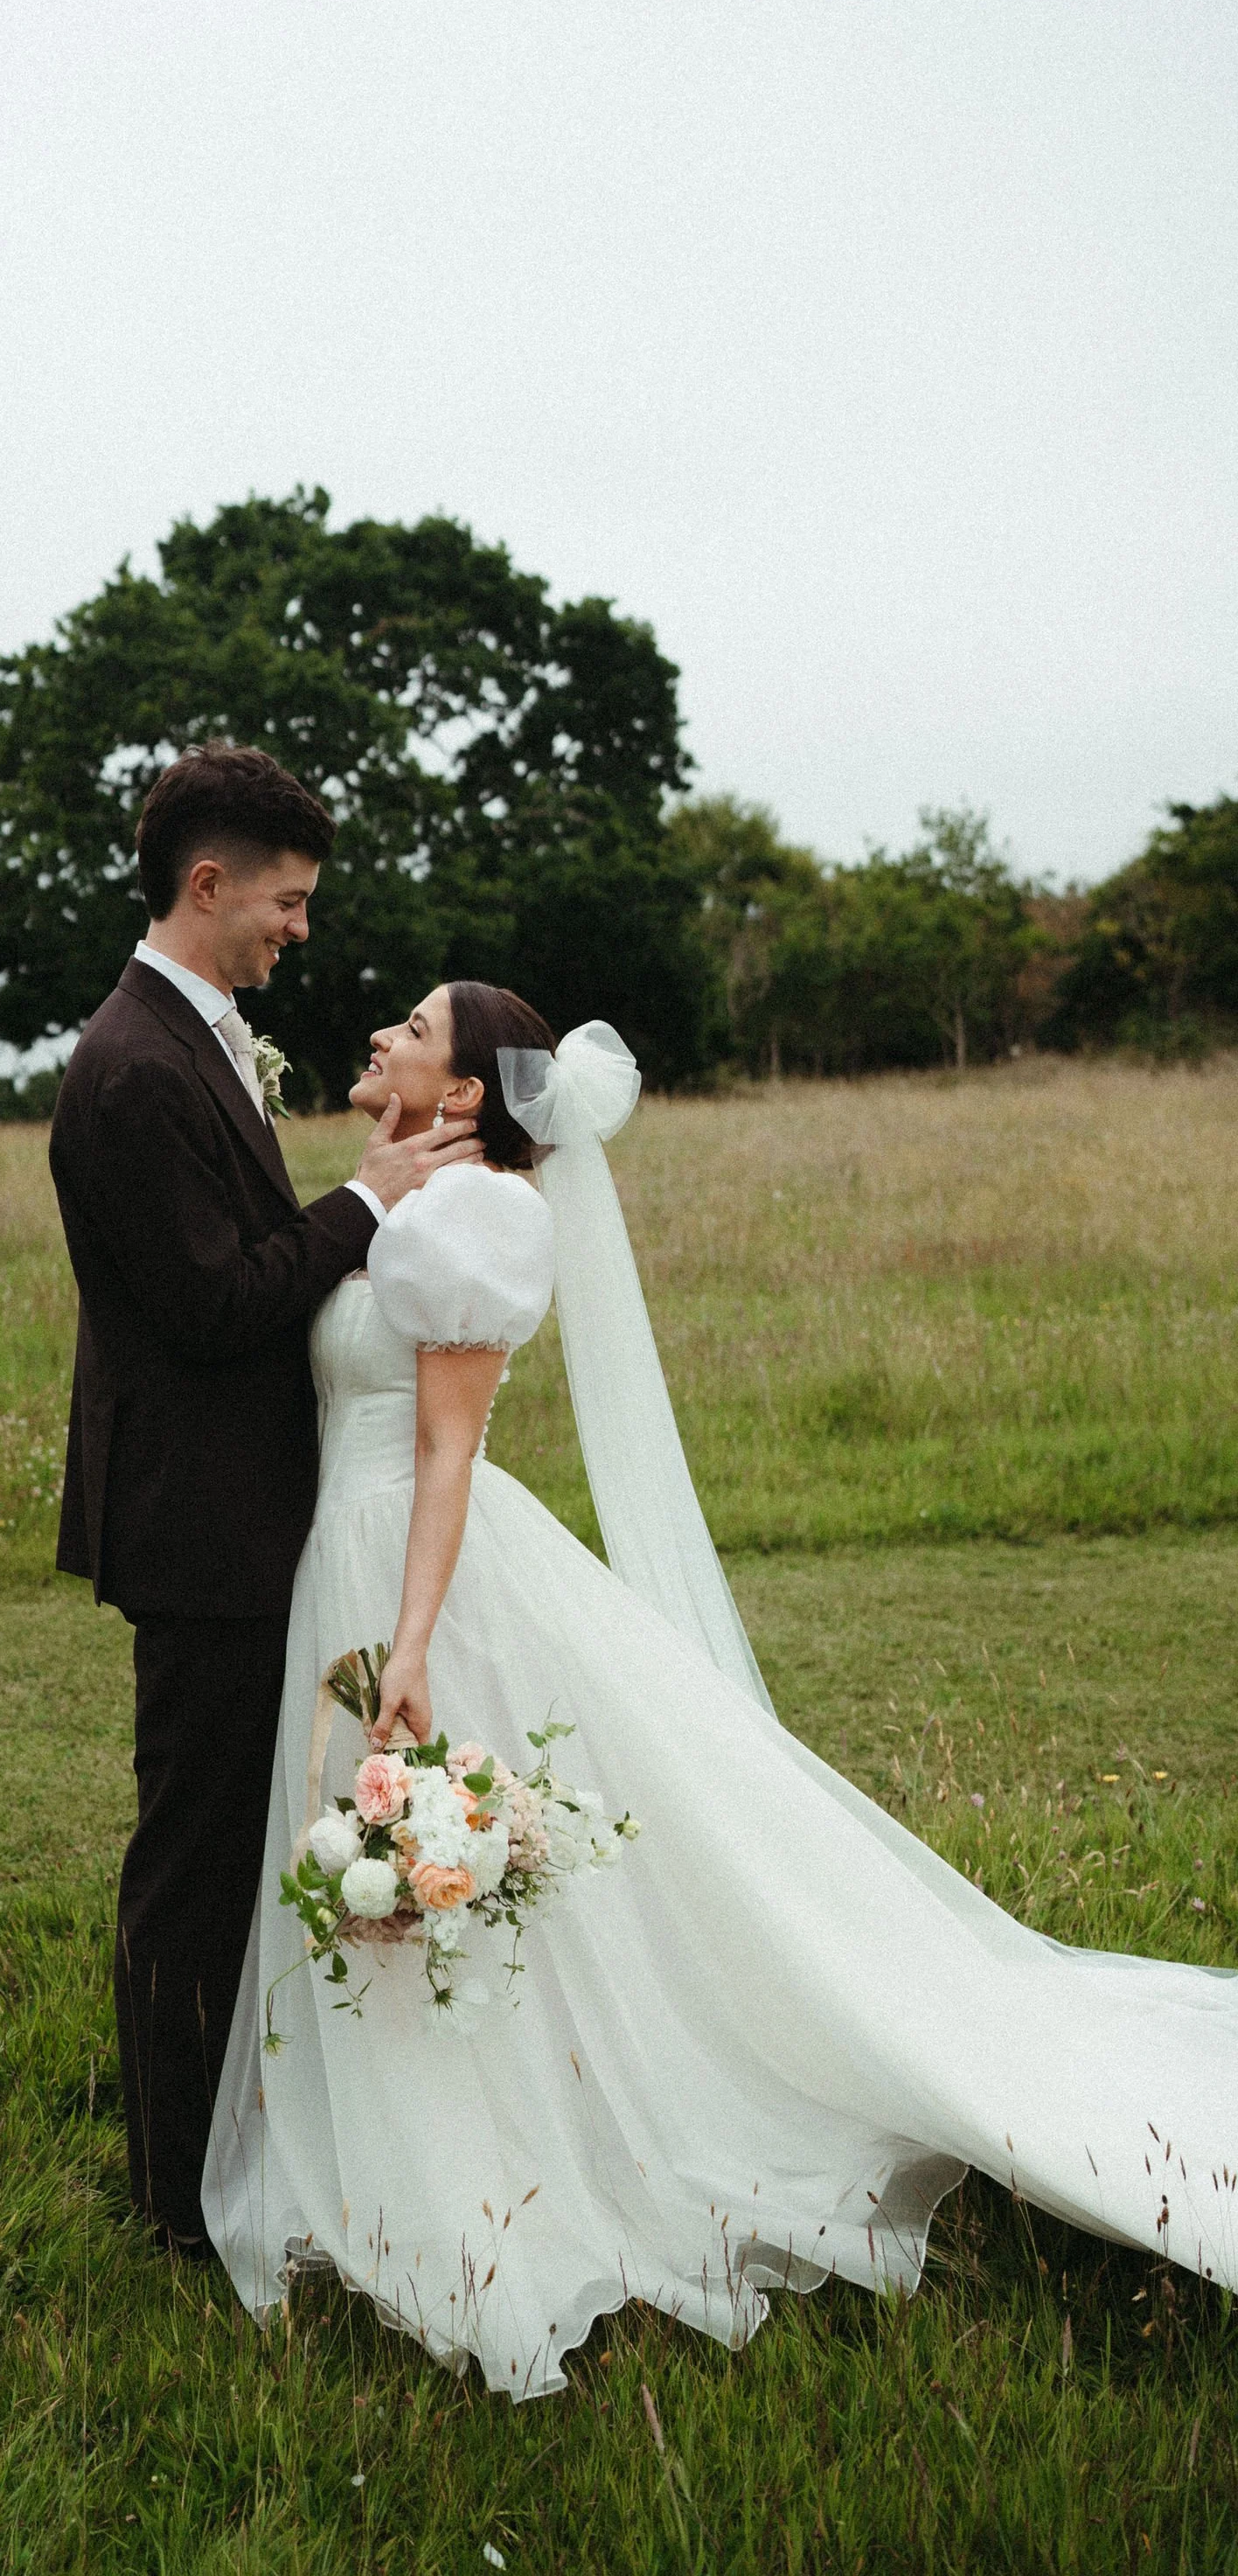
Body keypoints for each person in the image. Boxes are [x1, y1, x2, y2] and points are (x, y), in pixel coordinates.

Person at [203, 983, 1238, 2398]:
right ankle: (414, 2138)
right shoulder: (408, 1199)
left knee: (449, 1848)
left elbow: (445, 1448)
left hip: (419, 1569)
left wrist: (417, 1638)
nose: (377, 1030)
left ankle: (509, 2155)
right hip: (354, 1550)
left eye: (412, 1026)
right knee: (401, 1860)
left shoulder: (484, 1214)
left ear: (460, 1096)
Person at [49, 741, 480, 2252]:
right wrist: (366, 1203)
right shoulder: (128, 1070)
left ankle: (228, 2122)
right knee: (193, 1855)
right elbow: (221, 1307)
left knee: (233, 1836)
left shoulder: (198, 1037)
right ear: (208, 884)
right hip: (199, 1521)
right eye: (285, 903)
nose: (302, 930)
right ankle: (175, 2196)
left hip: (241, 1512)